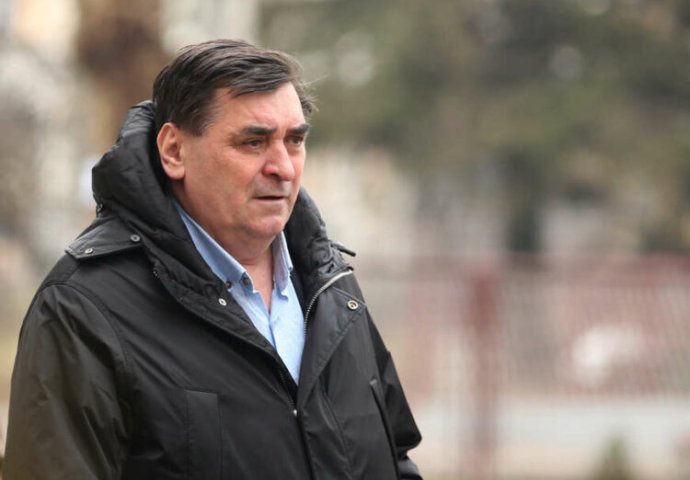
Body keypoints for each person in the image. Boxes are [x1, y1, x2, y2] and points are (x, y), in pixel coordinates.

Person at [3, 39, 422, 479]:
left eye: (294, 140)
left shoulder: (332, 287)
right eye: (253, 142)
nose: (283, 167)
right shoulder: (83, 309)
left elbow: (395, 458)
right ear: (174, 151)